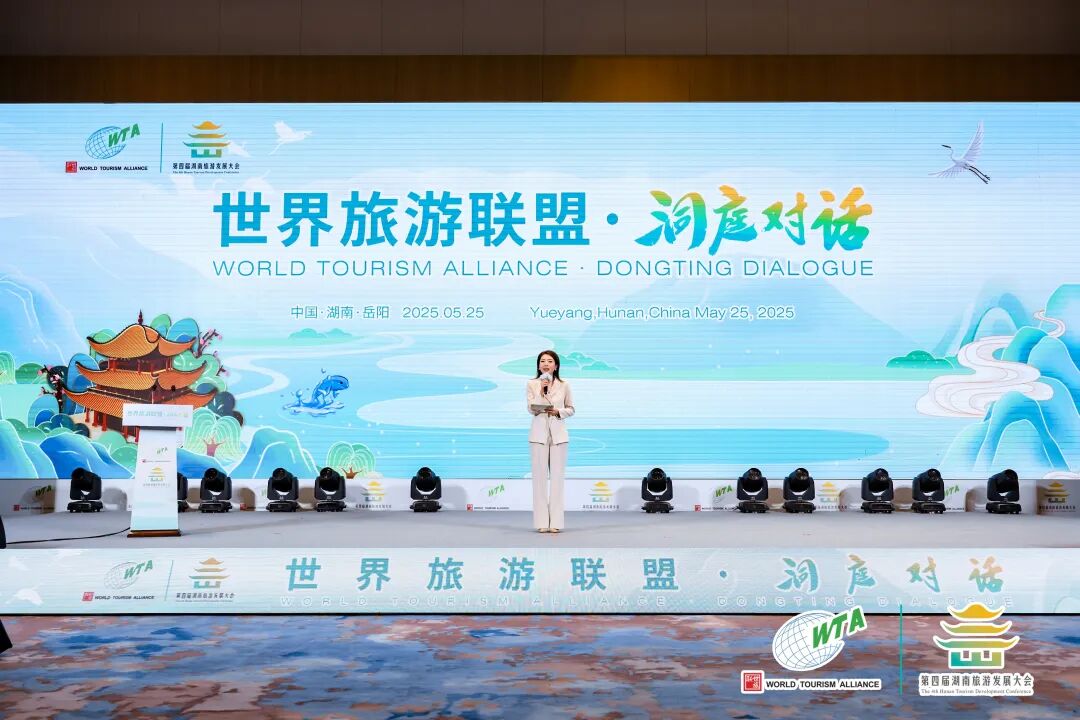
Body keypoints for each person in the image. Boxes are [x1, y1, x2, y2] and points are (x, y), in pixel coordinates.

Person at [526, 350, 575, 533]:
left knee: (557, 480)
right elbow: (531, 408)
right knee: (539, 480)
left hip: (558, 436)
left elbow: (571, 408)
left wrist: (559, 412)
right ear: (539, 366)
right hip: (538, 435)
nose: (546, 364)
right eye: (542, 361)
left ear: (556, 365)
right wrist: (542, 390)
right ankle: (541, 522)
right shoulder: (532, 384)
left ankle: (556, 522)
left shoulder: (564, 384)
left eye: (549, 361)